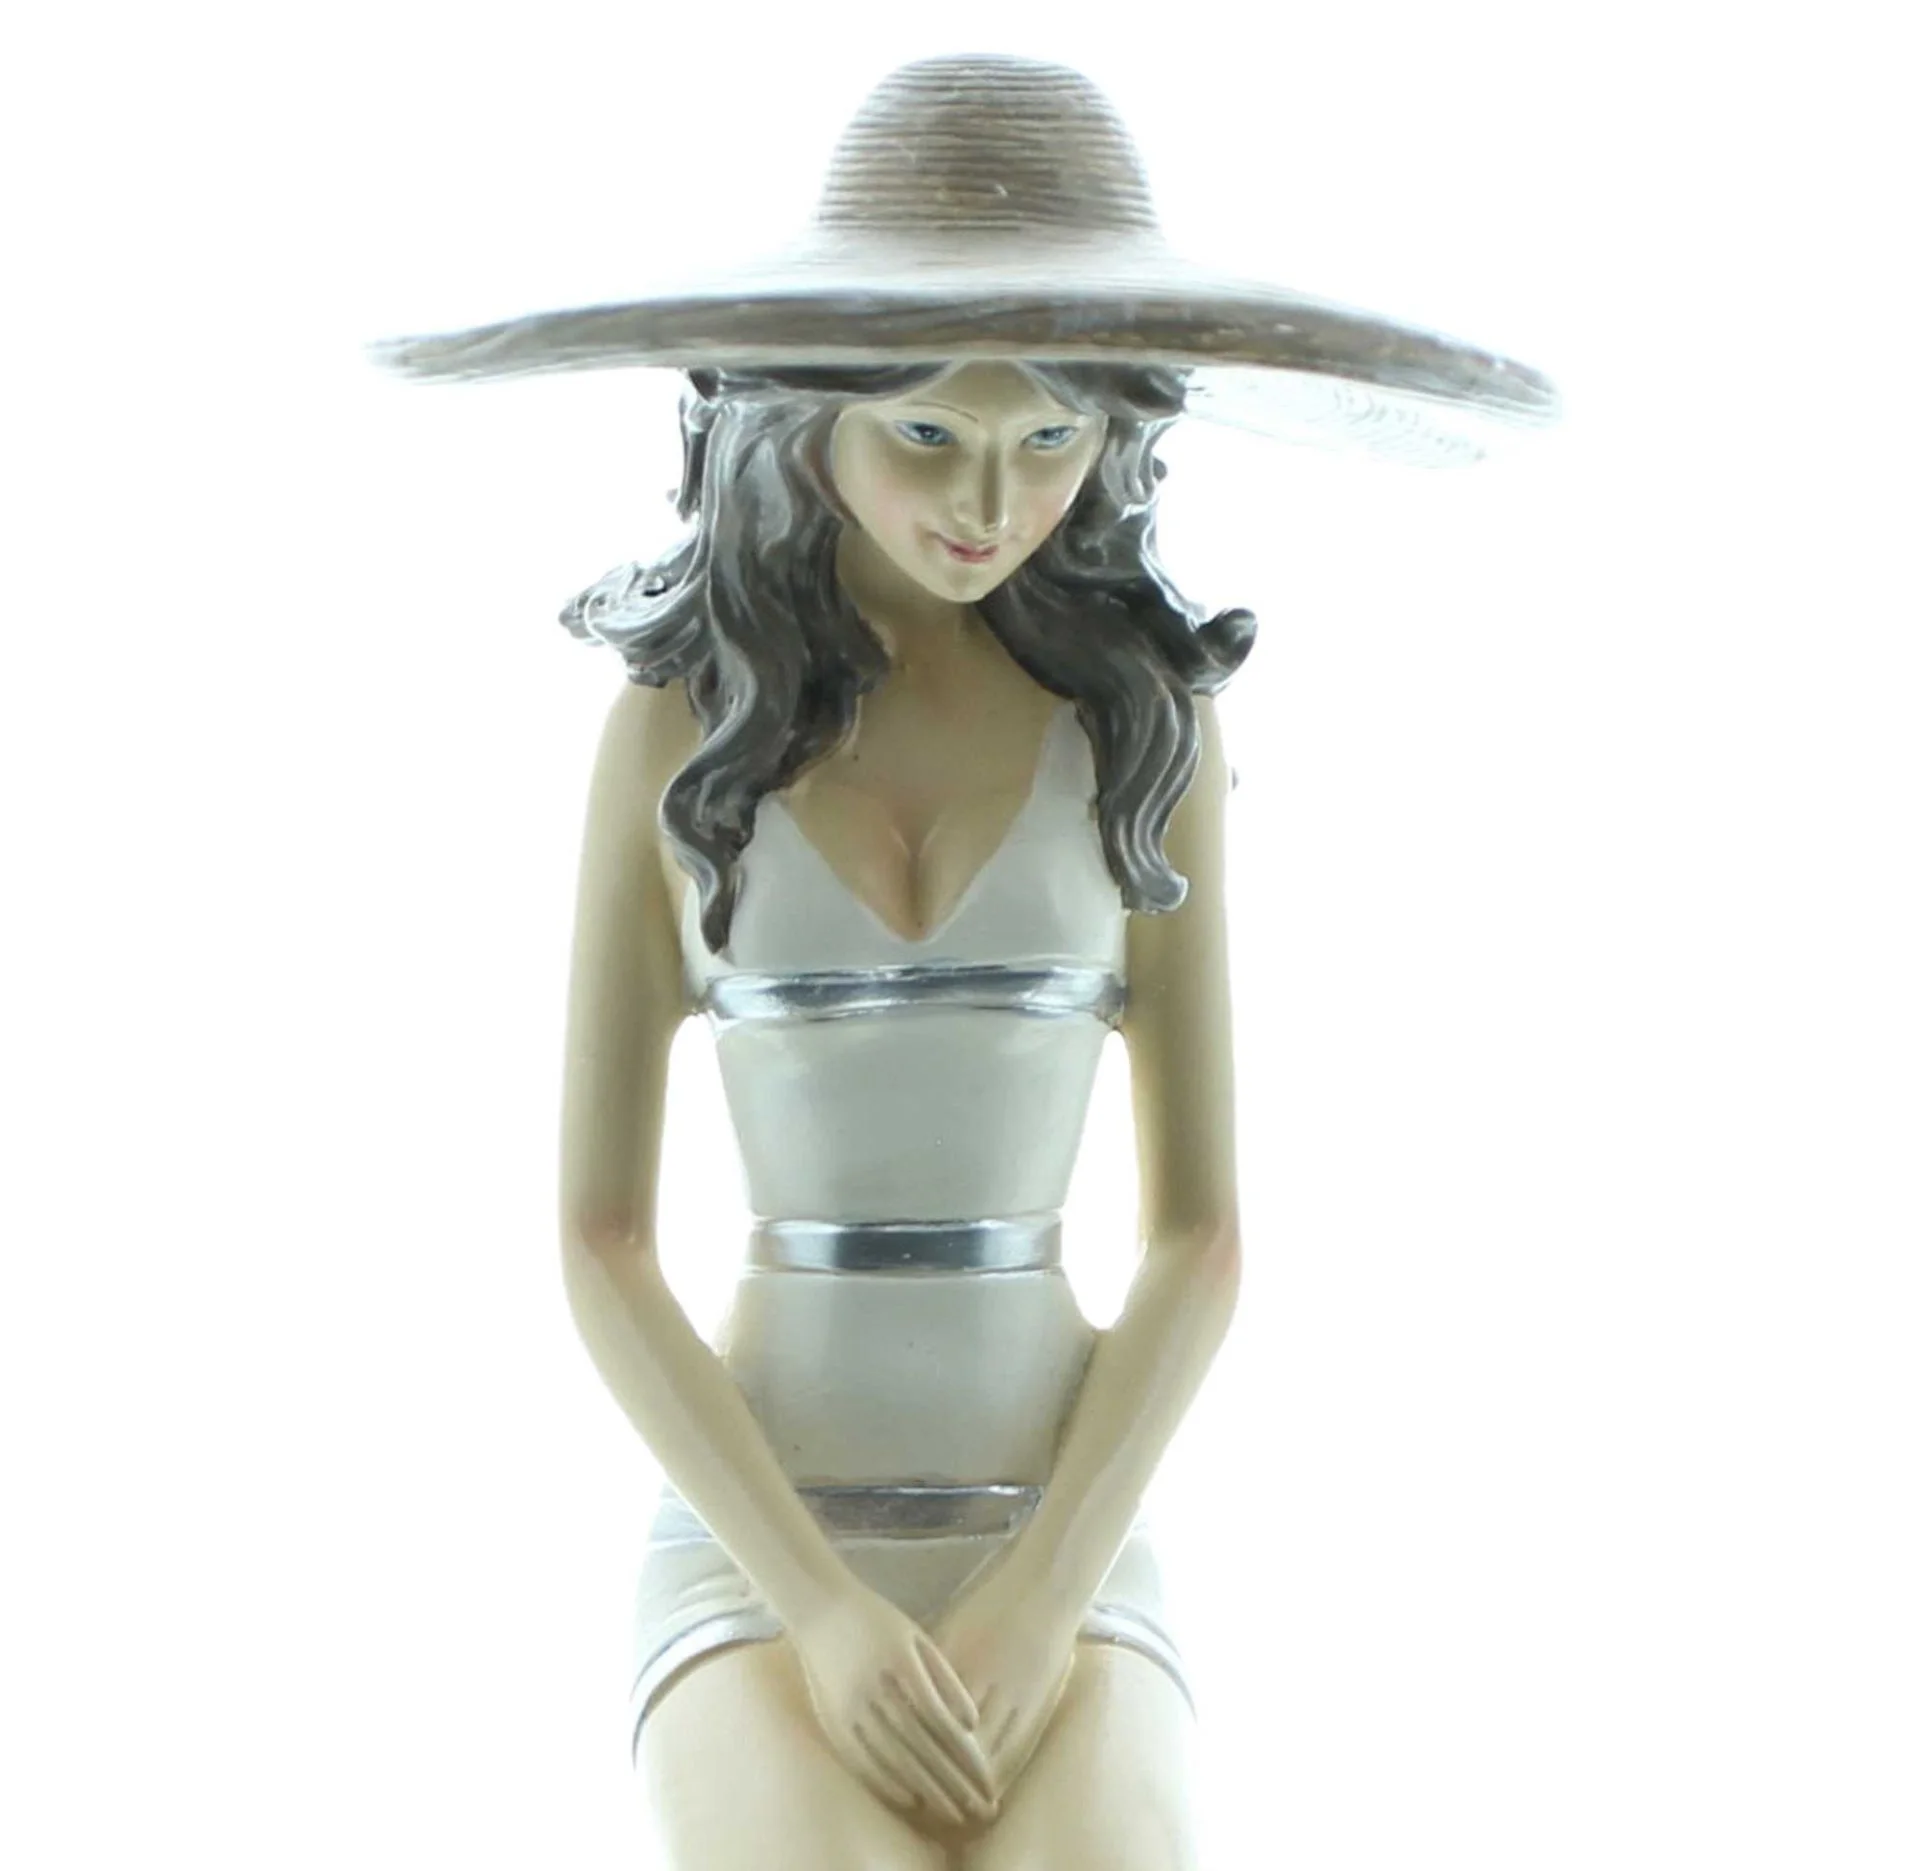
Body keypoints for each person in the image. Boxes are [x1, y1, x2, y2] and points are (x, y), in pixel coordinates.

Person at [374, 53, 1554, 1869]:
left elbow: (1200, 1236)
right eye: (928, 434)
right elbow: (600, 1241)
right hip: (760, 1544)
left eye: (1048, 440)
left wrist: (1045, 1596)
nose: (989, 500)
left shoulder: (1145, 729)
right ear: (811, 417)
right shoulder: (677, 733)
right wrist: (825, 1610)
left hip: (1065, 1532)